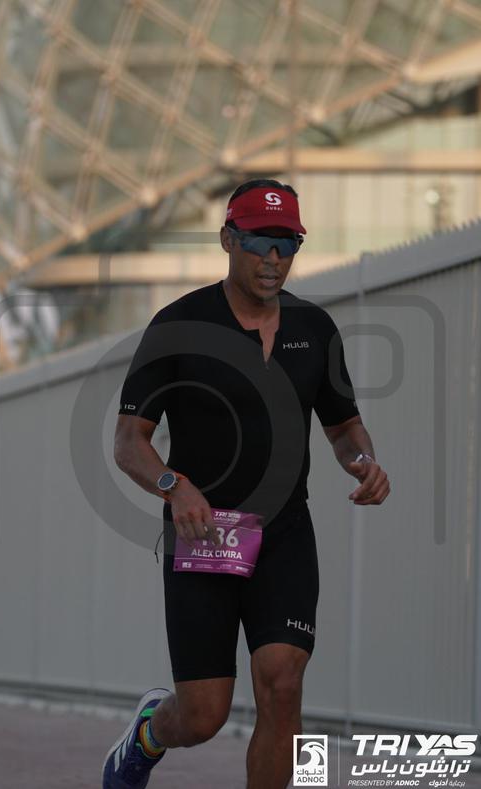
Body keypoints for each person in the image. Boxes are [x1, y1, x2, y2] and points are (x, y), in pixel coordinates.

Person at [103, 179, 390, 789]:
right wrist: (174, 485)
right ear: (228, 240)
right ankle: (151, 731)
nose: (274, 258)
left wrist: (364, 460)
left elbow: (344, 428)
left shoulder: (315, 328)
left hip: (284, 532)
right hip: (202, 534)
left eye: (288, 244)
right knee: (202, 716)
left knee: (283, 684)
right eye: (260, 241)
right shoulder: (178, 325)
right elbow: (129, 442)